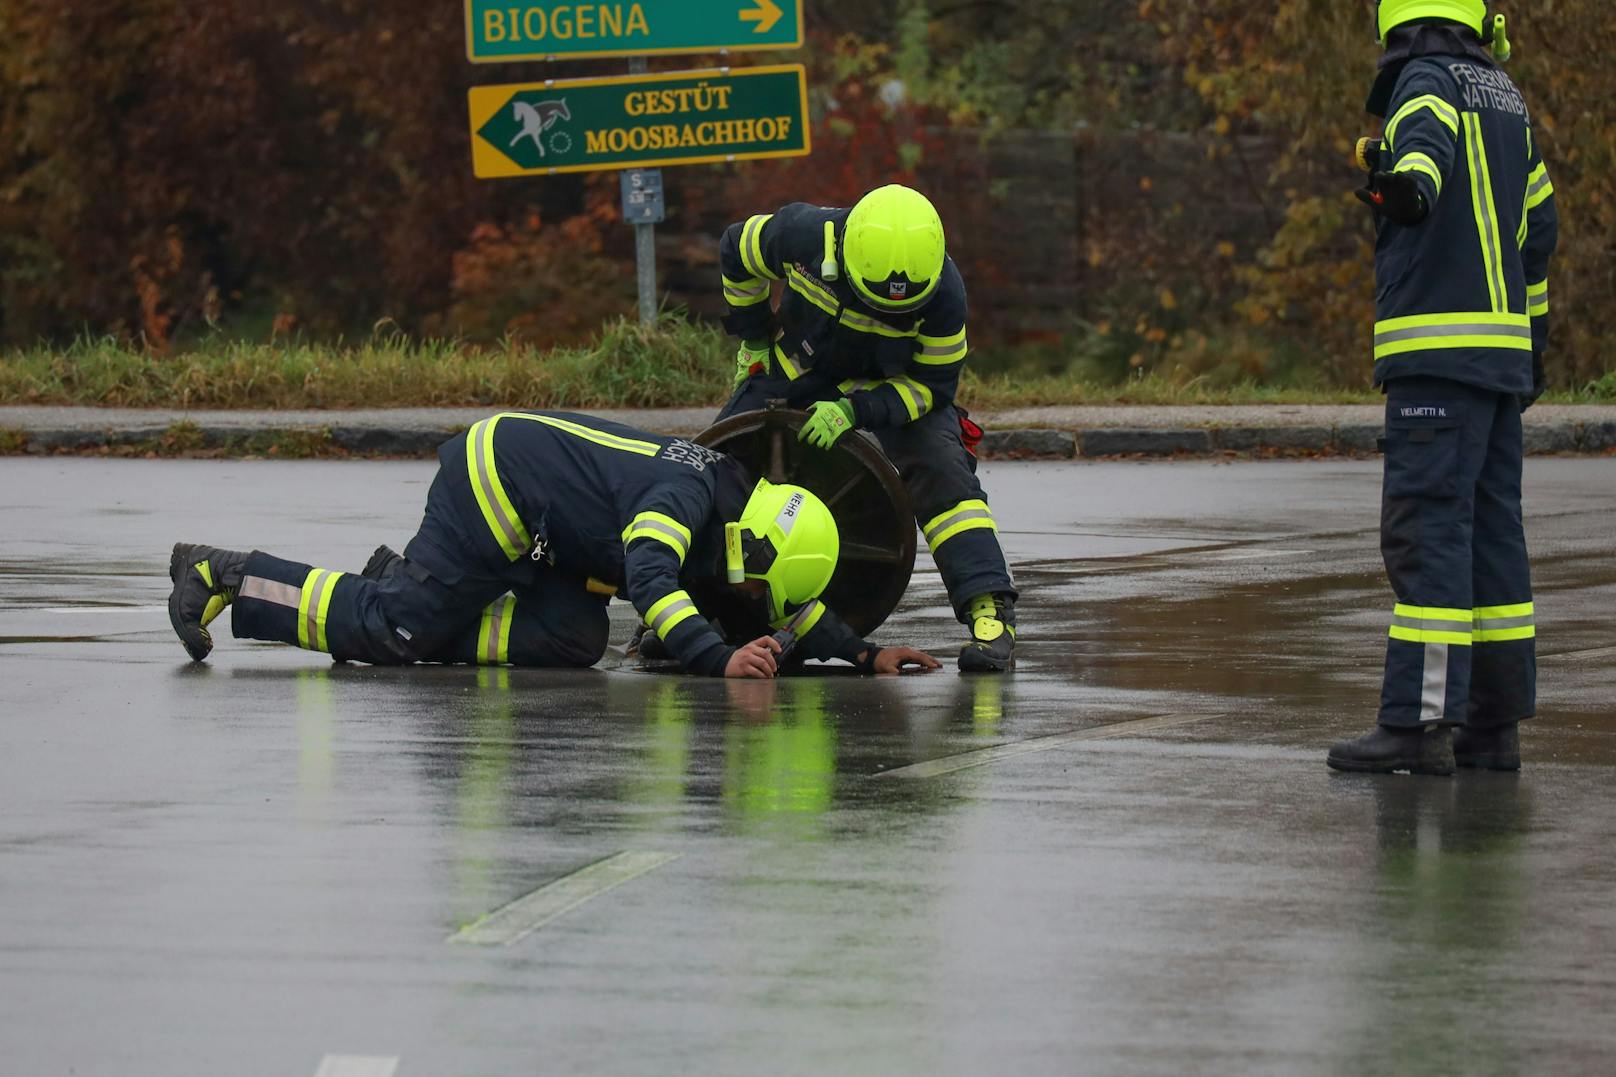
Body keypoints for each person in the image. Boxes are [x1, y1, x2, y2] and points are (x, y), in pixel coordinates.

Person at [168, 411, 939, 678]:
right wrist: (718, 656)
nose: (753, 606)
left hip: (555, 536)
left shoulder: (744, 509)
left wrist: (866, 654)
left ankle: (407, 584)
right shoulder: (688, 496)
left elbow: (789, 606)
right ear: (757, 549)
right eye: (758, 589)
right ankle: (228, 573)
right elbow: (650, 575)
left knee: (573, 637)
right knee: (397, 632)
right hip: (496, 487)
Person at [1328, 1, 1557, 773]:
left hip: (1437, 356)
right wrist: (1535, 345)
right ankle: (1492, 728)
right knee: (1493, 540)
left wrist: (1398, 187)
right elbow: (1541, 228)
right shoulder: (1505, 95)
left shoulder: (1422, 81)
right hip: (1501, 360)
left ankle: (1416, 725)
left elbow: (1420, 169)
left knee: (1428, 534)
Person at [716, 183, 1019, 673]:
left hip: (892, 392)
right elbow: (735, 247)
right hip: (799, 372)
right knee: (717, 465)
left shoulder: (944, 291)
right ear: (845, 262)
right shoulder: (802, 234)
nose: (887, 312)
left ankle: (990, 614)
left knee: (943, 470)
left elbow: (932, 388)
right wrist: (753, 338)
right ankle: (685, 612)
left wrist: (855, 412)